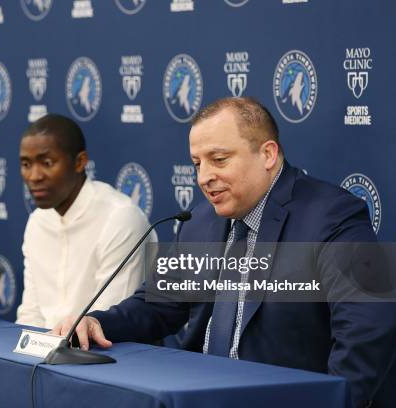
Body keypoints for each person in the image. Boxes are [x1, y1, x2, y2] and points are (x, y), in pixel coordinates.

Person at [52, 97, 396, 408]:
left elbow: (365, 330)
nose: (204, 177)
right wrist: (97, 321)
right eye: (197, 163)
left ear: (268, 154)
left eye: (219, 159)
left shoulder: (331, 215)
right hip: (197, 395)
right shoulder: (198, 221)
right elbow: (157, 305)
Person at [16, 114, 156, 328]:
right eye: (26, 164)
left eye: (47, 163)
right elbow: (30, 314)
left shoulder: (120, 218)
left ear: (80, 162)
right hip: (46, 354)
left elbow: (111, 320)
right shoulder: (37, 222)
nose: (34, 176)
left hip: (112, 354)